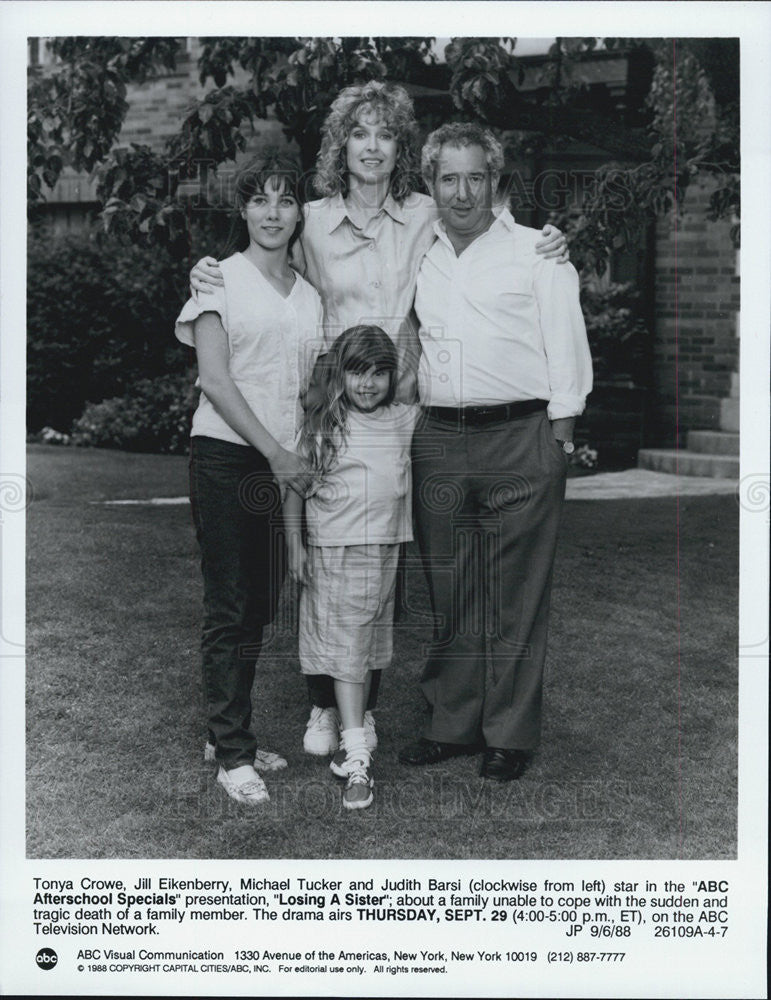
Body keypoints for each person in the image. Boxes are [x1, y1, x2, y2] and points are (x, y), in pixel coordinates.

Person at [189, 82, 568, 760]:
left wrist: (548, 244)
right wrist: (207, 272)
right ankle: (322, 706)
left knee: (381, 567)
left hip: (397, 414)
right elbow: (263, 264)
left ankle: (366, 701)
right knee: (319, 561)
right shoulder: (305, 217)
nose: (370, 146)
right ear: (341, 144)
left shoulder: (427, 212)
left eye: (383, 134)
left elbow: (487, 219)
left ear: (399, 149)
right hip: (326, 411)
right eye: (357, 133)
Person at [399, 122, 593, 781]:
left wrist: (559, 433)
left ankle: (508, 733)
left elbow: (565, 341)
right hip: (440, 440)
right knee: (452, 590)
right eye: (447, 178)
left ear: (494, 181)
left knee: (515, 594)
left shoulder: (537, 250)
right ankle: (451, 725)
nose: (461, 192)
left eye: (474, 177)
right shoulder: (414, 251)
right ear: (430, 184)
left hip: (522, 437)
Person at [175, 152, 325, 806]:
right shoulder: (217, 281)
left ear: (299, 213)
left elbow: (301, 397)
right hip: (226, 456)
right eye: (259, 200)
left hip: (278, 465)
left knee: (261, 604)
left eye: (284, 200)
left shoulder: (311, 295)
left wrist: (289, 468)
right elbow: (214, 379)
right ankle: (233, 753)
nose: (271, 212)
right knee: (230, 605)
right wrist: (275, 455)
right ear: (242, 210)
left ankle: (224, 731)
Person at [284, 326, 419, 810]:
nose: (368, 383)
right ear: (340, 374)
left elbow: (422, 375)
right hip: (336, 548)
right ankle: (356, 753)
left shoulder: (402, 418)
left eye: (379, 373)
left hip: (385, 548)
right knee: (348, 642)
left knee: (364, 644)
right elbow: (296, 488)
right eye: (357, 372)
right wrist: (294, 543)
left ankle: (351, 723)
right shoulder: (326, 423)